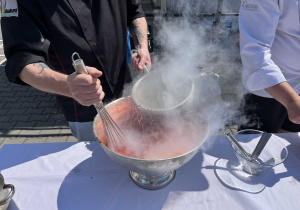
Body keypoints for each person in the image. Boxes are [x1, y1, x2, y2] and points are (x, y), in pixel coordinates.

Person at [1, 0, 151, 141]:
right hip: (83, 107)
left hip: (125, 89)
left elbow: (135, 11)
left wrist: (142, 45)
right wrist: (67, 86)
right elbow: (22, 59)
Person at [239, 0, 300, 133]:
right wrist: (291, 100)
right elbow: (254, 53)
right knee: (254, 149)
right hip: (268, 91)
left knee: (291, 146)